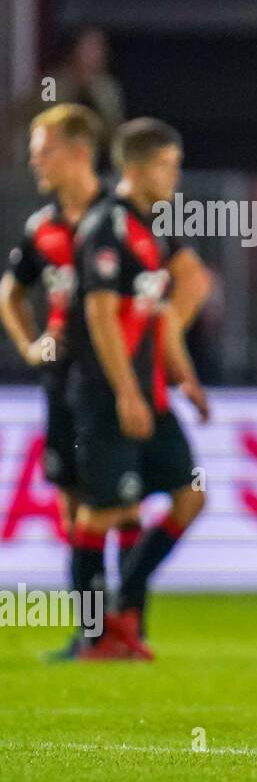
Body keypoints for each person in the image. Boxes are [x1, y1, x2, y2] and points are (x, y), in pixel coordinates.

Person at [0, 104, 144, 659]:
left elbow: (160, 285)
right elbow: (10, 293)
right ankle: (97, 633)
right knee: (70, 505)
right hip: (62, 379)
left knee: (115, 503)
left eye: (45, 150)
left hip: (110, 377)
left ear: (80, 151)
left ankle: (123, 627)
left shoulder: (119, 218)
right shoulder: (43, 228)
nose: (35, 161)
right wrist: (29, 343)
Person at [66, 117, 211, 659]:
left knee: (189, 497)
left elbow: (161, 317)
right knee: (100, 514)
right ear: (136, 167)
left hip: (150, 392)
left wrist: (185, 379)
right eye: (167, 165)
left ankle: (122, 605)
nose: (175, 176)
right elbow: (101, 315)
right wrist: (126, 391)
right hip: (109, 394)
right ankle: (94, 634)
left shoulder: (156, 229)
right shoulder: (106, 226)